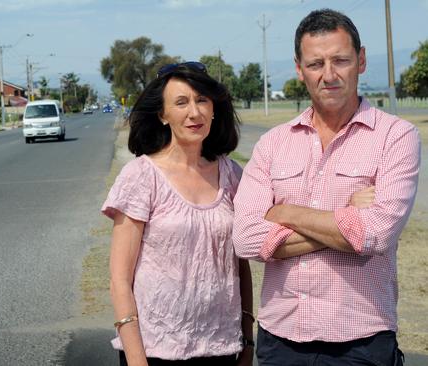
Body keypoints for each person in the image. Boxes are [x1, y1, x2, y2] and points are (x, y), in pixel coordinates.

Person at [232, 8, 421, 366]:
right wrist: (348, 218)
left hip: (360, 342)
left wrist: (283, 212)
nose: (329, 75)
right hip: (280, 339)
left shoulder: (396, 137)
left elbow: (377, 235)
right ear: (299, 68)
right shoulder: (273, 143)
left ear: (361, 60)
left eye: (341, 60)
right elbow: (245, 238)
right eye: (316, 63)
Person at [102, 62, 254, 366]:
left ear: (214, 109)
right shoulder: (140, 176)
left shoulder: (231, 173)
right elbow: (119, 278)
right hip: (155, 351)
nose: (194, 112)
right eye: (181, 102)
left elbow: (240, 267)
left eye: (202, 100)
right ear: (162, 114)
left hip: (222, 348)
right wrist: (136, 358)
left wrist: (247, 342)